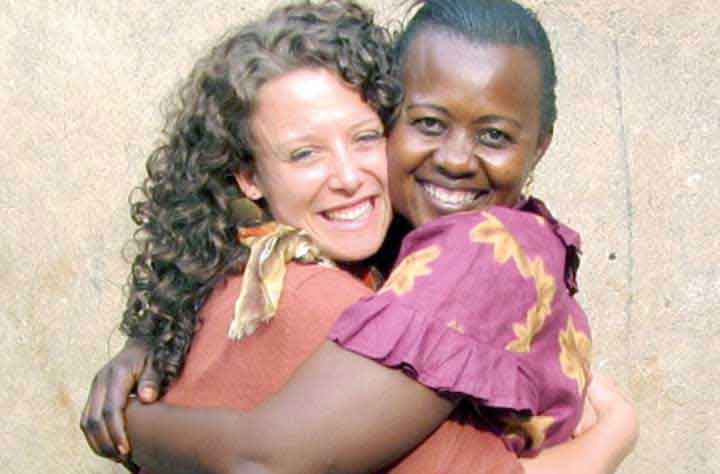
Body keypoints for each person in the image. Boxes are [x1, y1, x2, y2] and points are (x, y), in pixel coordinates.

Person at [82, 1, 637, 473]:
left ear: (538, 146)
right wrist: (146, 344)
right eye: (427, 123)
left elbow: (268, 462)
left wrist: (130, 422)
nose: (455, 159)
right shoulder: (389, 241)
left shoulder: (484, 246)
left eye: (493, 135)